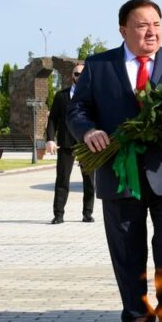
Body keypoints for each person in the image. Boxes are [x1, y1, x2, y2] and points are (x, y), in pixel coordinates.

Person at [67, 0, 162, 322]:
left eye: (156, 24)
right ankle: (138, 320)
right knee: (127, 251)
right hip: (119, 174)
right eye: (142, 25)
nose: (151, 31)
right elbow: (77, 108)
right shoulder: (99, 65)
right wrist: (88, 131)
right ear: (123, 30)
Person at [46, 62, 95, 224]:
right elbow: (53, 119)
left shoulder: (92, 95)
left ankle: (87, 213)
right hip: (66, 144)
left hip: (86, 144)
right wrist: (50, 140)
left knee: (89, 180)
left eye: (82, 74)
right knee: (62, 179)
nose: (79, 77)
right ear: (72, 76)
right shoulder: (61, 96)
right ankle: (58, 214)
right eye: (76, 74)